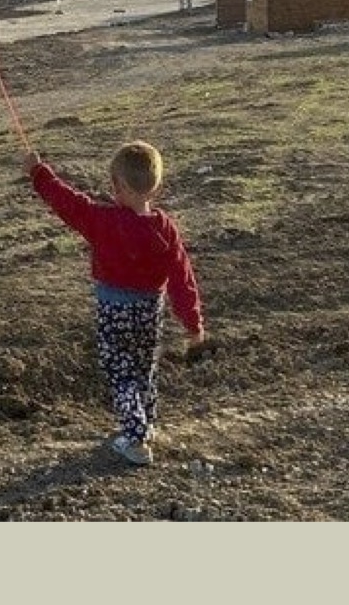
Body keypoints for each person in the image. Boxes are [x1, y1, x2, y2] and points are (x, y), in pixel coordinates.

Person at [23, 140, 206, 467]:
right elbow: (182, 277)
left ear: (118, 186)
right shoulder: (164, 228)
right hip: (151, 312)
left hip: (115, 312)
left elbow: (69, 203)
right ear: (157, 186)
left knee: (120, 372)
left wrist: (39, 173)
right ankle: (145, 425)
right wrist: (193, 325)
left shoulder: (105, 222)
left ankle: (135, 440)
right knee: (142, 369)